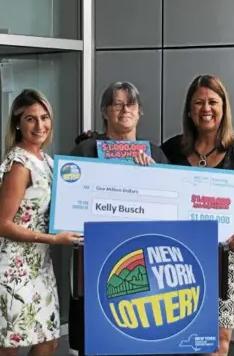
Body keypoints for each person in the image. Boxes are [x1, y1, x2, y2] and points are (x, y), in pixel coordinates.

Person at [74, 75, 234, 356]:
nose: (206, 108)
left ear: (224, 108)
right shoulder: (171, 149)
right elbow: (147, 186)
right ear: (189, 110)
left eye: (213, 102)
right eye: (198, 102)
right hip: (176, 257)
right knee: (172, 336)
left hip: (226, 258)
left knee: (216, 341)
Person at [68, 81, 169, 356]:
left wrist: (155, 177)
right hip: (93, 258)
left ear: (140, 112)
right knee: (91, 339)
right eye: (117, 103)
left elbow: (171, 209)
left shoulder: (156, 155)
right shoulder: (85, 152)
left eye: (131, 104)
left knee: (136, 332)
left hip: (140, 260)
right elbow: (68, 203)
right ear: (104, 111)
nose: (125, 110)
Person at [0, 89, 82, 356]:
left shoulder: (47, 162)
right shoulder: (19, 163)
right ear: (17, 122)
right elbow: (2, 225)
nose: (40, 125)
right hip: (11, 267)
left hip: (39, 266)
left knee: (48, 341)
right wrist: (54, 240)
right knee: (8, 346)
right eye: (30, 119)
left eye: (45, 117)